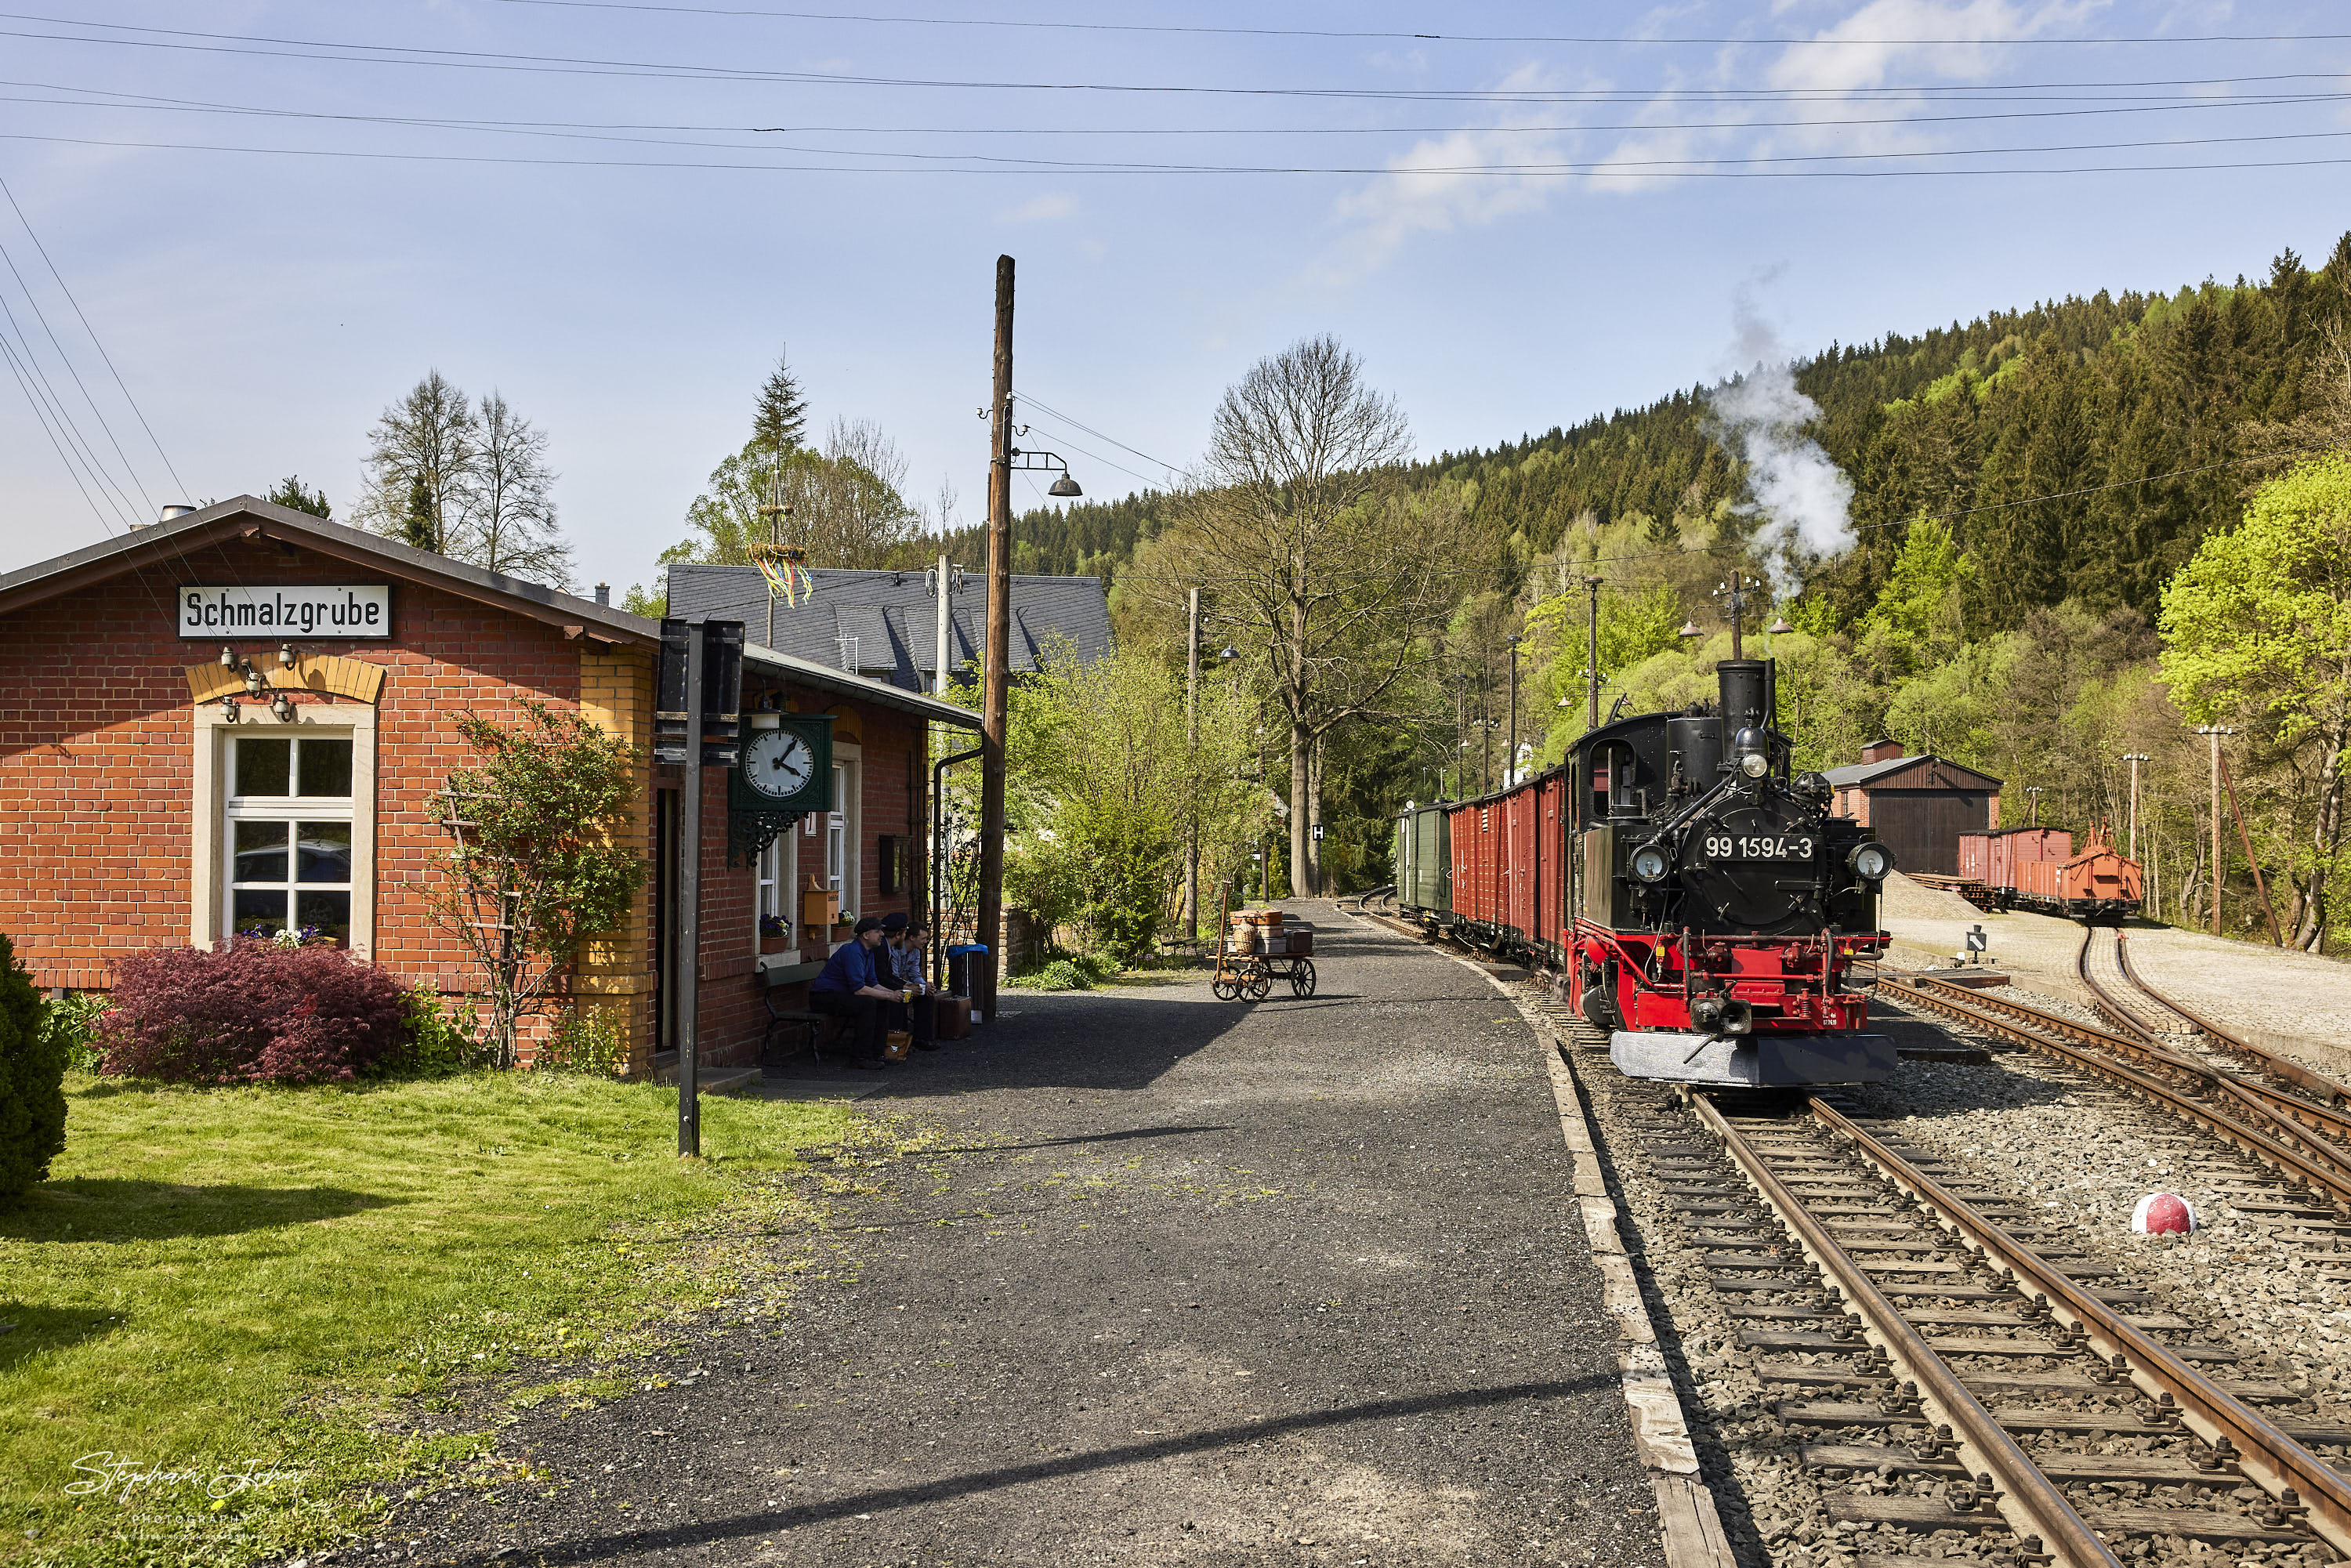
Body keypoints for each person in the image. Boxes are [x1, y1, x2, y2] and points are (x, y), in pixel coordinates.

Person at [809, 915, 901, 1070]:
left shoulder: (869, 952)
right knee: (868, 1003)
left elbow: (872, 983)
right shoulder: (853, 952)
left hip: (841, 995)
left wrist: (894, 993)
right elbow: (859, 989)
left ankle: (877, 1053)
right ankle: (860, 1057)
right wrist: (890, 995)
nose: (882, 935)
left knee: (882, 1001)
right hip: (823, 997)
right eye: (878, 931)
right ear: (865, 935)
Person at [882, 913, 938, 1050]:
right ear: (912, 938)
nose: (926, 941)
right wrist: (911, 986)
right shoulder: (894, 951)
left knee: (926, 996)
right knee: (902, 998)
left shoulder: (916, 951)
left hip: (905, 985)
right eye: (923, 938)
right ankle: (901, 1041)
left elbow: (915, 974)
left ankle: (922, 1038)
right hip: (894, 987)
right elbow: (893, 977)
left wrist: (924, 985)